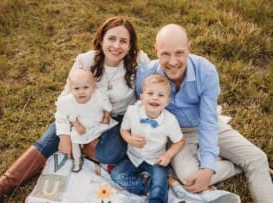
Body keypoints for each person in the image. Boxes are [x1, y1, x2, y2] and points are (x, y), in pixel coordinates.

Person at [0, 16, 149, 202]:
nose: (116, 46)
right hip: (82, 114)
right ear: (102, 39)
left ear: (130, 46)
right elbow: (64, 100)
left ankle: (82, 146)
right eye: (111, 39)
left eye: (123, 41)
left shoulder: (138, 62)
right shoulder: (85, 61)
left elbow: (154, 85)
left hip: (117, 120)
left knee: (109, 153)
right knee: (52, 136)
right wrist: (64, 136)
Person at [135, 23, 273, 203]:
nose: (173, 61)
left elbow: (208, 122)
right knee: (189, 178)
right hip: (177, 134)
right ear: (156, 50)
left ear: (189, 48)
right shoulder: (145, 74)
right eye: (165, 54)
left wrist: (208, 168)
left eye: (179, 53)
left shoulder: (205, 71)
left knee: (257, 158)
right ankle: (236, 165)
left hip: (205, 123)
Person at [111, 74, 185, 203]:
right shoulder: (132, 111)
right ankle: (144, 187)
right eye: (150, 93)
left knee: (159, 183)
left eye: (161, 95)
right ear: (142, 97)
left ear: (167, 101)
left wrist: (168, 155)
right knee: (116, 175)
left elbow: (179, 141)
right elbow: (124, 130)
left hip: (156, 159)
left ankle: (155, 197)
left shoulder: (170, 120)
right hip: (134, 157)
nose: (155, 98)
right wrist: (129, 139)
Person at [55, 68, 118, 172]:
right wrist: (76, 124)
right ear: (70, 89)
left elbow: (107, 107)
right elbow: (70, 115)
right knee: (75, 140)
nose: (81, 92)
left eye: (85, 87)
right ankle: (77, 159)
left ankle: (101, 157)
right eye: (77, 88)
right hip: (82, 126)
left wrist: (106, 116)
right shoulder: (68, 101)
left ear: (92, 87)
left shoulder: (98, 96)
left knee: (108, 136)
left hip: (98, 123)